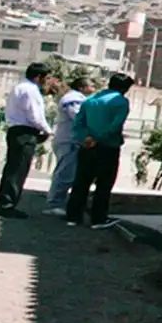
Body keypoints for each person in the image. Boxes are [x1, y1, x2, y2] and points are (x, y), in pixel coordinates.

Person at [65, 73, 135, 229]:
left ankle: (73, 216)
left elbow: (78, 123)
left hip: (87, 146)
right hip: (108, 146)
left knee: (81, 181)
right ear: (125, 88)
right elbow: (116, 125)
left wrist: (86, 137)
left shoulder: (90, 100)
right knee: (104, 184)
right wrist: (99, 138)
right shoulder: (120, 101)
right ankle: (98, 219)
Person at [0, 62, 52, 219]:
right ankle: (6, 205)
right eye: (46, 78)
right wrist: (47, 130)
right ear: (38, 77)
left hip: (16, 130)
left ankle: (4, 202)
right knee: (18, 170)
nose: (47, 81)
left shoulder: (19, 87)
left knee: (13, 168)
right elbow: (35, 115)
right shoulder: (31, 90)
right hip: (25, 132)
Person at [43, 77, 94, 216]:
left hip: (70, 141)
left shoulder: (77, 98)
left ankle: (59, 202)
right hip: (68, 141)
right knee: (64, 173)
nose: (93, 88)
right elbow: (78, 117)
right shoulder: (73, 99)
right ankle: (54, 203)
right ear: (82, 87)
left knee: (68, 173)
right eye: (91, 85)